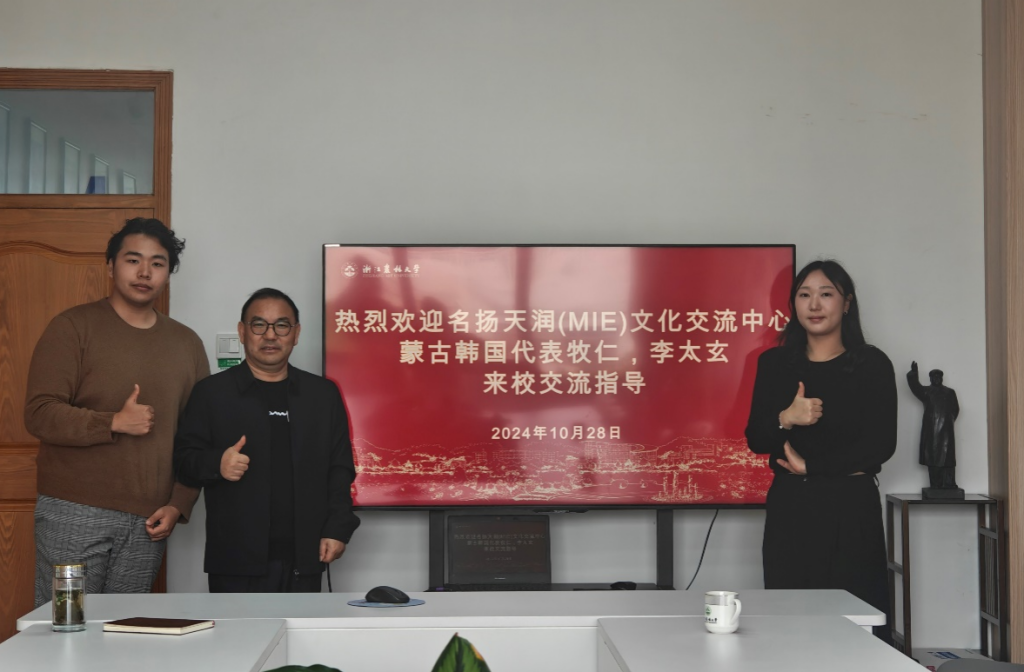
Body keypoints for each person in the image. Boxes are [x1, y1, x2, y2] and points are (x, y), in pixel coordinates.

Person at [24, 217, 209, 606]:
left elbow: (198, 436)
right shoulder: (72, 327)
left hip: (148, 518)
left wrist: (179, 503)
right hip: (73, 510)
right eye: (133, 260)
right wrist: (113, 422)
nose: (144, 272)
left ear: (168, 274)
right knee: (66, 624)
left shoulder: (187, 344)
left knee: (123, 629)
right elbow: (40, 413)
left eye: (157, 263)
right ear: (110, 266)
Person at [744, 260, 897, 641]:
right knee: (789, 623)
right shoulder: (774, 364)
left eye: (826, 294)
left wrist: (812, 466)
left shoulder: (871, 363)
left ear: (847, 303)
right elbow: (757, 439)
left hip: (852, 508)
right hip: (791, 507)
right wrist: (787, 418)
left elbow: (882, 445)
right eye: (804, 295)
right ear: (793, 304)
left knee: (856, 623)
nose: (814, 305)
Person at [174, 288, 360, 592]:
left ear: (296, 334)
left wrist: (338, 529)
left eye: (282, 325)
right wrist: (217, 463)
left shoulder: (322, 395)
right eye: (259, 325)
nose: (270, 335)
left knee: (302, 626)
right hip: (235, 560)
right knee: (237, 626)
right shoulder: (211, 393)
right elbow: (183, 462)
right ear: (242, 332)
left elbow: (340, 469)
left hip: (306, 556)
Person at [907, 362, 961, 491]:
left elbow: (955, 409)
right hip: (932, 431)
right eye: (934, 377)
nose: (937, 379)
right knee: (933, 457)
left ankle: (949, 483)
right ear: (930, 379)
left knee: (948, 458)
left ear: (942, 378)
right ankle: (935, 485)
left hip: (947, 431)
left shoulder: (950, 392)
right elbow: (915, 387)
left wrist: (948, 421)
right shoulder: (927, 391)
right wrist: (913, 374)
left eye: (939, 376)